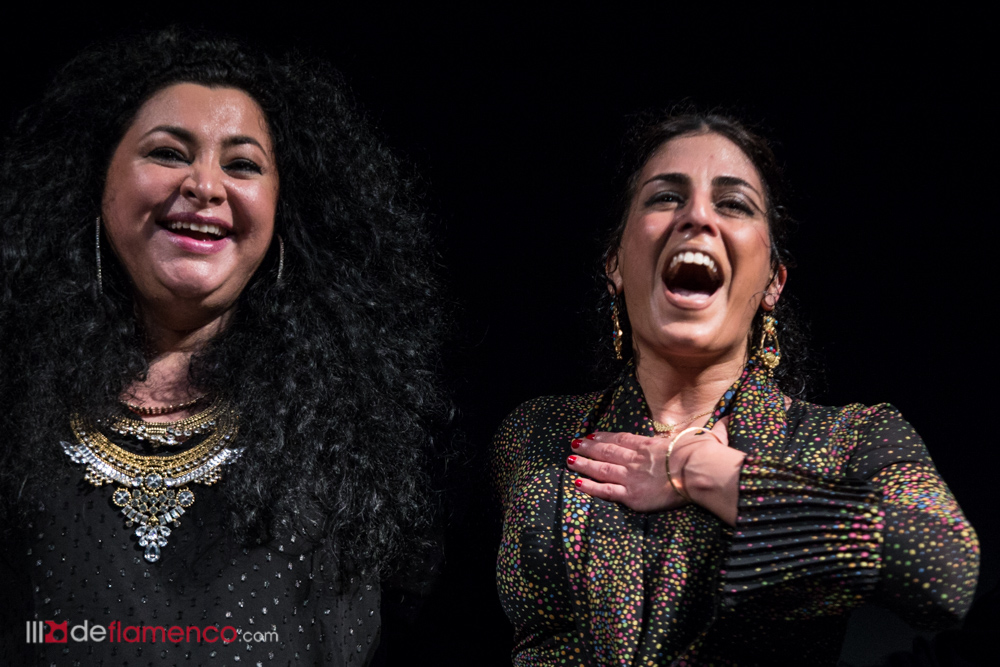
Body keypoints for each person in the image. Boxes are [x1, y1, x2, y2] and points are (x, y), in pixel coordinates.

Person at [0, 29, 448, 666]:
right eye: (167, 153)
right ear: (96, 185)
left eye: (242, 165)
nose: (205, 185)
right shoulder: (16, 402)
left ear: (282, 211)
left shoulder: (353, 433)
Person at [492, 111, 980, 665]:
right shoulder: (536, 433)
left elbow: (945, 571)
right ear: (616, 265)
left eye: (733, 204)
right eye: (665, 198)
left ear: (773, 281)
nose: (697, 216)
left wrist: (702, 471)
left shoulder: (847, 438)